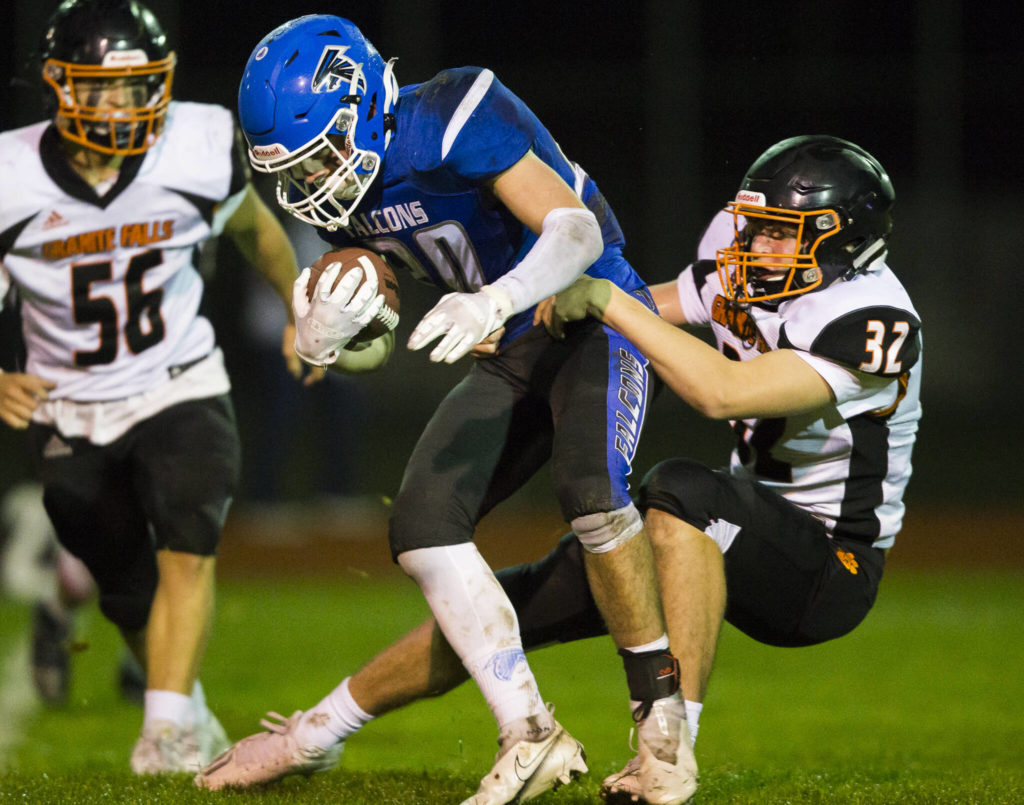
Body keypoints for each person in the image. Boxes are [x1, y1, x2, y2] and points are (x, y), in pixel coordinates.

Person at [195, 135, 921, 804]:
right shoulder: (749, 268)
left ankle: (669, 750)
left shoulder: (872, 318)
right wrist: (533, 313)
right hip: (724, 526)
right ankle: (314, 734)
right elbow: (658, 306)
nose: (753, 243)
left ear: (843, 242)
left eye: (778, 232)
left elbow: (718, 390)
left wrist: (603, 295)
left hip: (828, 566)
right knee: (517, 601)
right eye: (755, 223)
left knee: (681, 491)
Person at [217, 14, 694, 805]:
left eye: (325, 153)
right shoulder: (341, 189)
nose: (316, 181)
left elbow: (573, 231)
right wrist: (336, 325)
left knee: (590, 489)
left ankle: (663, 720)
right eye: (298, 170)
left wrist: (494, 299)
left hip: (593, 310)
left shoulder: (452, 109)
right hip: (506, 343)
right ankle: (530, 730)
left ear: (364, 98)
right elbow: (384, 312)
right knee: (422, 522)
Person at [0, 0, 387, 775]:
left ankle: (166, 732)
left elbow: (254, 230)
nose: (123, 108)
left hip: (181, 381)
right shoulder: (10, 176)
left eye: (140, 87)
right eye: (101, 90)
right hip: (72, 405)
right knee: (120, 579)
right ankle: (187, 708)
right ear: (58, 87)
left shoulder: (195, 142)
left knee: (188, 536)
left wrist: (296, 307)